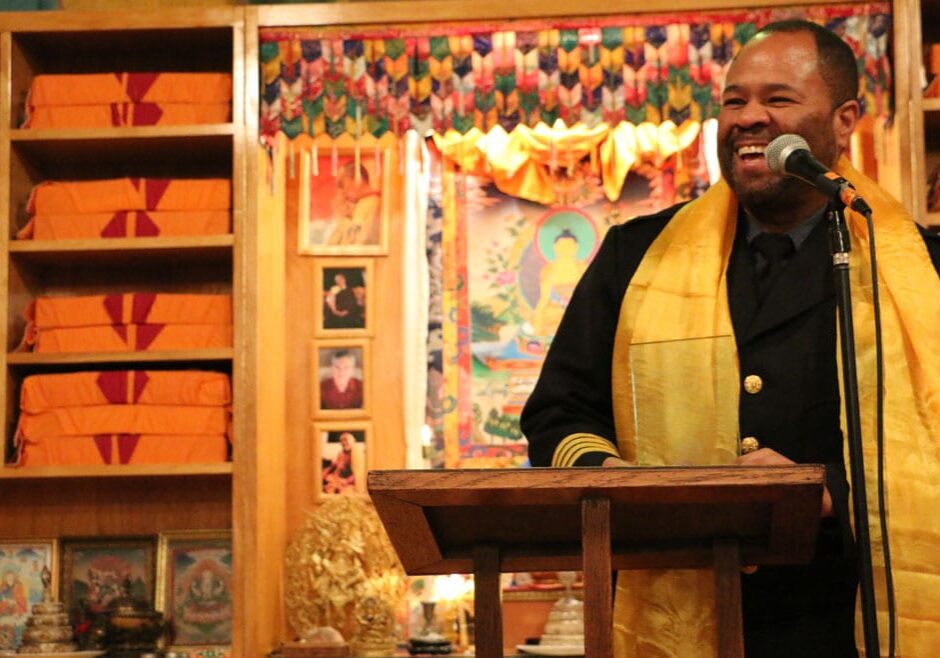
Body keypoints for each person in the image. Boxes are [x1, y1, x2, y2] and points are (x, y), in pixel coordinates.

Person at [522, 20, 940, 658]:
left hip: (850, 615)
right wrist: (618, 486)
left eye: (777, 99)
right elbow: (559, 412)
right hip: (678, 597)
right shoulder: (636, 257)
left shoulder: (922, 271)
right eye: (734, 101)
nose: (748, 118)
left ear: (844, 118)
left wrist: (832, 487)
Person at [327, 162, 381, 246]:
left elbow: (354, 247)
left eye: (341, 184)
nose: (340, 191)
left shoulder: (373, 204)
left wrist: (342, 218)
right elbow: (329, 248)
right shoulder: (359, 205)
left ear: (357, 179)